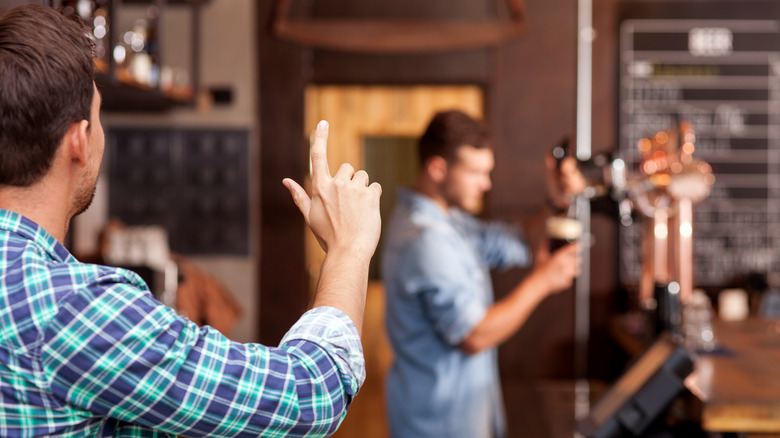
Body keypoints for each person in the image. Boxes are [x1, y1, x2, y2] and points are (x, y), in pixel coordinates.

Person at [0, 5, 381, 437]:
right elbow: (310, 396)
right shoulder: (71, 310)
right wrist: (350, 248)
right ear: (79, 141)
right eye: (100, 115)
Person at [381, 110, 583, 438]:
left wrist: (556, 200)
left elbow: (520, 240)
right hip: (438, 426)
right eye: (475, 173)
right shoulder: (424, 239)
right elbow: (474, 335)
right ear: (437, 168)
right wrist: (542, 282)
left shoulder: (450, 222)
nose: (486, 184)